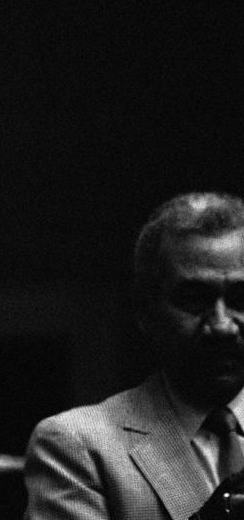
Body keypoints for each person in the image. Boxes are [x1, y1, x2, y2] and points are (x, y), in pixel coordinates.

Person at [24, 192, 244, 520]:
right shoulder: (79, 445)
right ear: (145, 310)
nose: (223, 325)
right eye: (194, 299)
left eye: (241, 297)